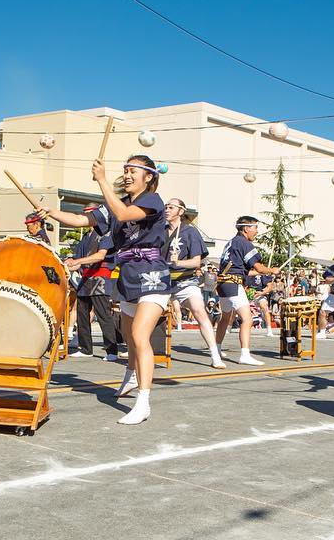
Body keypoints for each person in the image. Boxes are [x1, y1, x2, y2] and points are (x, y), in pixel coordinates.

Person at [39, 154, 171, 425]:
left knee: (138, 334)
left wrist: (101, 180)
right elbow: (79, 220)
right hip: (127, 275)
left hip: (153, 274)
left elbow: (123, 215)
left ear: (148, 176)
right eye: (125, 169)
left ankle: (143, 401)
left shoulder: (152, 200)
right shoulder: (117, 202)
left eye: (133, 170)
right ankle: (131, 376)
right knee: (129, 334)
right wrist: (52, 212)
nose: (127, 174)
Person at [164, 198, 224, 368]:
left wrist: (179, 263)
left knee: (199, 312)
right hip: (163, 281)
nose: (167, 210)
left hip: (186, 281)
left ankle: (214, 355)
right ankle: (136, 349)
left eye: (171, 207)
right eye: (166, 207)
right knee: (149, 314)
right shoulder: (160, 231)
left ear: (181, 211)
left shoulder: (190, 232)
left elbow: (196, 262)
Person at [215, 216, 281, 366]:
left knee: (225, 318)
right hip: (233, 284)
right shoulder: (245, 243)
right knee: (247, 319)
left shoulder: (231, 242)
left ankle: (217, 349)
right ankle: (245, 354)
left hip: (223, 284)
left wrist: (261, 272)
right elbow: (258, 267)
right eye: (255, 228)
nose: (257, 231)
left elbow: (243, 270)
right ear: (246, 228)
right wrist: (272, 270)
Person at [64, 203, 119, 360]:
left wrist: (78, 261)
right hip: (86, 276)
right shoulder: (86, 236)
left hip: (100, 276)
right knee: (81, 312)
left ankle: (111, 350)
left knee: (103, 314)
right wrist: (70, 261)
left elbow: (100, 256)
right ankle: (86, 348)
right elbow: (77, 258)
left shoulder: (107, 233)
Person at [247, 272, 277, 338]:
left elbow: (269, 287)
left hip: (260, 294)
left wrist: (262, 293)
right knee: (236, 307)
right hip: (248, 295)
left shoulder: (263, 273)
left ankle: (269, 330)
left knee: (264, 307)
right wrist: (247, 292)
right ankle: (229, 327)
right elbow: (243, 286)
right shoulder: (247, 271)